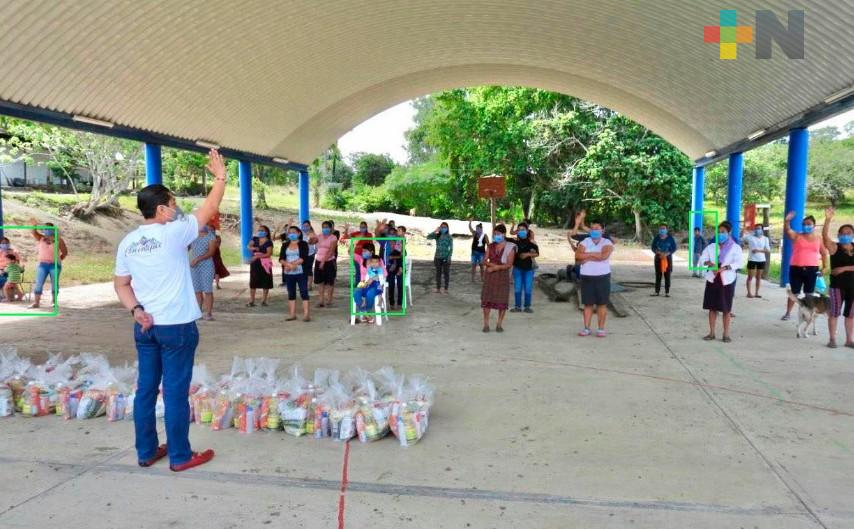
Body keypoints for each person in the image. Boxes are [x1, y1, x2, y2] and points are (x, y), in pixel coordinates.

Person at [113, 148, 225, 472]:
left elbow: (121, 285)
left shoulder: (129, 242)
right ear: (161, 210)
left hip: (145, 326)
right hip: (175, 327)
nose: (177, 209)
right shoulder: (174, 233)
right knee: (175, 392)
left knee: (145, 390)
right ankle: (180, 456)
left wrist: (136, 310)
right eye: (173, 204)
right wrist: (220, 177)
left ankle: (146, 451)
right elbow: (210, 207)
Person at [700, 221, 744, 343]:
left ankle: (726, 334)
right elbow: (703, 259)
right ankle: (712, 332)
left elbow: (739, 263)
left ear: (729, 233)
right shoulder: (711, 247)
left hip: (726, 280)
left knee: (726, 309)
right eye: (718, 232)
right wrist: (710, 264)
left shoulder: (735, 248)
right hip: (712, 280)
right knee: (712, 308)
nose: (720, 234)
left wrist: (724, 268)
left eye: (723, 232)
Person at [781, 212, 828, 321]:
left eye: (809, 223)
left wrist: (825, 267)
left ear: (814, 225)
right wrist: (787, 221)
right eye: (804, 224)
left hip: (812, 269)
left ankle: (806, 314)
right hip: (796, 268)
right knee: (794, 292)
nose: (806, 225)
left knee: (809, 294)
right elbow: (788, 231)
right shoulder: (797, 235)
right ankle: (788, 313)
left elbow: (824, 253)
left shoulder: (818, 238)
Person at [822, 208, 854, 348]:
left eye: (848, 233)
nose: (845, 235)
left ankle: (849, 340)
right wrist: (828, 220)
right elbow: (824, 237)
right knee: (834, 313)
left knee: (850, 315)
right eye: (842, 233)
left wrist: (843, 268)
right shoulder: (835, 247)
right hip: (837, 287)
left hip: (853, 287)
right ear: (839, 235)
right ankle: (832, 339)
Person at [576, 222, 614, 337]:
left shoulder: (607, 242)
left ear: (602, 230)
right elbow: (578, 256)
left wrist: (587, 255)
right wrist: (595, 255)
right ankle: (586, 328)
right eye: (592, 228)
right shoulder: (584, 242)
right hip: (587, 277)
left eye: (597, 228)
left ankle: (601, 329)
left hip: (602, 276)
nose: (594, 231)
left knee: (602, 304)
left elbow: (604, 256)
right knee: (588, 304)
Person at [481, 225, 516, 332]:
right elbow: (484, 260)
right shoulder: (490, 246)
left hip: (503, 276)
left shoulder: (511, 247)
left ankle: (499, 324)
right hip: (490, 276)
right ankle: (486, 324)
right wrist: (491, 265)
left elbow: (509, 264)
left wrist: (496, 267)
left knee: (502, 300)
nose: (496, 236)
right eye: (494, 234)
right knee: (487, 299)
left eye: (498, 234)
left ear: (504, 234)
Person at [28, 220, 68, 309]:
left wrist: (58, 260)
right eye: (45, 229)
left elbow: (65, 252)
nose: (46, 230)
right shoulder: (41, 238)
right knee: (38, 283)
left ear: (53, 230)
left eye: (49, 229)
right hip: (42, 264)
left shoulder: (58, 240)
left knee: (54, 283)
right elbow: (34, 232)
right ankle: (36, 302)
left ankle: (54, 302)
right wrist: (34, 225)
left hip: (54, 265)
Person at [280, 225, 311, 322]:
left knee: (304, 292)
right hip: (288, 273)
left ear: (298, 233)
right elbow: (281, 258)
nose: (291, 234)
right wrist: (287, 265)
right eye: (289, 233)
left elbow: (304, 257)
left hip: (301, 272)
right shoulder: (285, 245)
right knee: (291, 293)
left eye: (293, 232)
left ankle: (306, 314)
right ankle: (292, 314)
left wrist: (293, 265)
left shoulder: (303, 244)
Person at [189, 225, 218, 321]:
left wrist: (198, 259)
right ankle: (198, 312)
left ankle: (208, 313)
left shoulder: (211, 236)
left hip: (206, 265)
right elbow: (186, 247)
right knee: (197, 290)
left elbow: (211, 252)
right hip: (194, 266)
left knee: (207, 290)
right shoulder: (192, 235)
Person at [352, 245, 385, 324]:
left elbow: (384, 273)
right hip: (363, 283)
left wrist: (373, 278)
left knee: (370, 293)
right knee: (356, 292)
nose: (363, 253)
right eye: (363, 251)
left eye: (365, 251)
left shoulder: (378, 260)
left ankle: (365, 312)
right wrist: (354, 243)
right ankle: (366, 314)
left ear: (371, 252)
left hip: (375, 283)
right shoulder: (361, 259)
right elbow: (350, 253)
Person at [511, 222, 539, 313]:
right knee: (517, 287)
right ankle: (517, 306)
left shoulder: (532, 243)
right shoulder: (515, 242)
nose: (520, 231)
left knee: (528, 288)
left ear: (527, 231)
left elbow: (537, 253)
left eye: (523, 230)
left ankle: (527, 306)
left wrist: (527, 254)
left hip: (529, 269)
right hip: (517, 268)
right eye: (519, 230)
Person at [247, 224, 274, 307]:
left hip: (265, 263)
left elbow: (269, 253)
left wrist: (257, 256)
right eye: (259, 230)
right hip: (255, 263)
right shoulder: (255, 239)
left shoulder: (269, 242)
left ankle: (264, 300)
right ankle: (252, 300)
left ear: (266, 232)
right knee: (253, 280)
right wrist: (252, 248)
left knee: (266, 280)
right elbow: (248, 246)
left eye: (262, 231)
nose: (260, 232)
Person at [313, 220, 339, 308]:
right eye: (323, 227)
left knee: (330, 282)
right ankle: (321, 301)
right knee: (320, 282)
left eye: (327, 227)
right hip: (318, 260)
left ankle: (329, 301)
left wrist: (323, 261)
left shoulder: (333, 237)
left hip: (329, 261)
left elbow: (331, 251)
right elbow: (311, 242)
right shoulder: (319, 236)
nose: (325, 229)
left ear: (331, 228)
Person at [742, 224, 771, 298]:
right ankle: (749, 293)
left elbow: (768, 250)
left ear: (762, 230)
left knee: (758, 277)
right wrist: (745, 229)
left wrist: (758, 250)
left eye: (759, 228)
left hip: (761, 260)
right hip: (752, 259)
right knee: (750, 277)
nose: (757, 230)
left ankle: (757, 293)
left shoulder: (765, 239)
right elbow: (742, 237)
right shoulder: (750, 237)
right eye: (756, 228)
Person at [650, 224, 676, 297]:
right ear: (659, 230)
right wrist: (659, 253)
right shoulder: (656, 238)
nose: (662, 230)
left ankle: (667, 292)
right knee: (658, 275)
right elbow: (653, 247)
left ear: (666, 230)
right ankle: (657, 291)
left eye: (663, 228)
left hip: (667, 258)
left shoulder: (670, 238)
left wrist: (667, 254)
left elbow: (674, 248)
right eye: (661, 228)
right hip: (658, 258)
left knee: (667, 275)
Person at [427, 221, 453, 294]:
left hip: (446, 257)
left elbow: (451, 248)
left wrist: (449, 257)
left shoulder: (449, 237)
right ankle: (438, 288)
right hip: (437, 257)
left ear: (447, 228)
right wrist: (435, 230)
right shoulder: (437, 235)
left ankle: (446, 289)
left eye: (445, 227)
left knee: (446, 273)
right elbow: (428, 237)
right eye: (442, 227)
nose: (443, 228)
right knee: (438, 273)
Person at [301, 220, 318, 291]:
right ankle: (303, 285)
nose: (305, 227)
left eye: (307, 226)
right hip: (301, 254)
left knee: (309, 270)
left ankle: (309, 285)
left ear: (310, 226)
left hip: (310, 254)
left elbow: (315, 242)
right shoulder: (300, 233)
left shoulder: (312, 234)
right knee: (302, 270)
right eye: (304, 226)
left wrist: (315, 251)